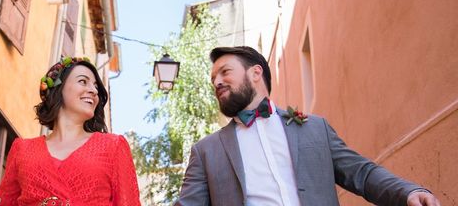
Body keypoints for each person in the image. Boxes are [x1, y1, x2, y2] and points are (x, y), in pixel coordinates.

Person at [176, 46, 441, 206]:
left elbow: (362, 173)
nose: (217, 82)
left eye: (225, 72)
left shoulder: (315, 129)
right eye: (213, 78)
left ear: (256, 73)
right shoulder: (206, 152)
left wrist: (408, 191)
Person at [0, 56, 141, 206]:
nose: (93, 91)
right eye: (83, 81)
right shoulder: (22, 149)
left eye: (96, 86)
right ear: (59, 89)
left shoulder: (113, 146)